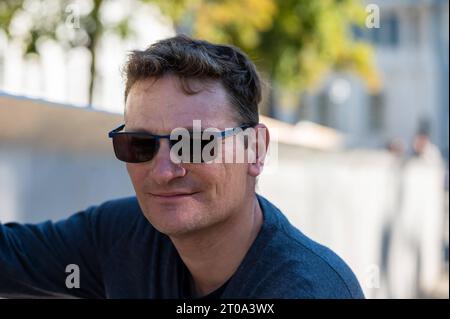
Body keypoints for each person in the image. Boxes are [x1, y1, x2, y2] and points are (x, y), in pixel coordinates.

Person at [0, 35, 364, 299]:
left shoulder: (310, 289)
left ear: (255, 149)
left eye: (195, 143)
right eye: (139, 145)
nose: (163, 171)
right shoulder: (122, 237)